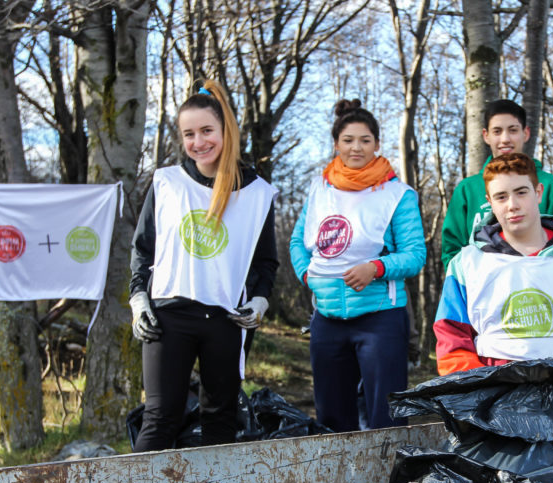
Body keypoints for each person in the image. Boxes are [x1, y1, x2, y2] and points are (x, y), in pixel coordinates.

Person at [129, 80, 279, 451]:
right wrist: (137, 299)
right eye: (189, 134)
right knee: (161, 417)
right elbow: (143, 248)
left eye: (207, 131)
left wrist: (259, 300)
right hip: (169, 314)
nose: (199, 142)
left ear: (226, 130)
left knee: (220, 417)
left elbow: (265, 261)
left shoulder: (258, 193)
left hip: (227, 318)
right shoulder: (167, 183)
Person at [434, 153, 553, 426]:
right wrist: (478, 405)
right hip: (493, 416)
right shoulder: (466, 264)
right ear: (489, 202)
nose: (512, 205)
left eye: (521, 192)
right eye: (501, 196)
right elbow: (453, 344)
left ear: (538, 192)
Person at [289, 99, 425, 432]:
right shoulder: (319, 190)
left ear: (377, 145)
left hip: (380, 318)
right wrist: (308, 276)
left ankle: (388, 482)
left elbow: (414, 255)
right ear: (336, 144)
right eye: (348, 140)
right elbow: (297, 243)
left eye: (365, 140)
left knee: (387, 418)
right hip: (327, 319)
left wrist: (375, 268)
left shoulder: (398, 194)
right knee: (332, 418)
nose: (356, 147)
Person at [440, 99, 553, 269]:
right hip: (483, 288)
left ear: (526, 133)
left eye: (513, 130)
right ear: (486, 136)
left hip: (539, 286)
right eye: (497, 131)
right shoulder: (467, 189)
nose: (505, 139)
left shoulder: (549, 184)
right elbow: (452, 251)